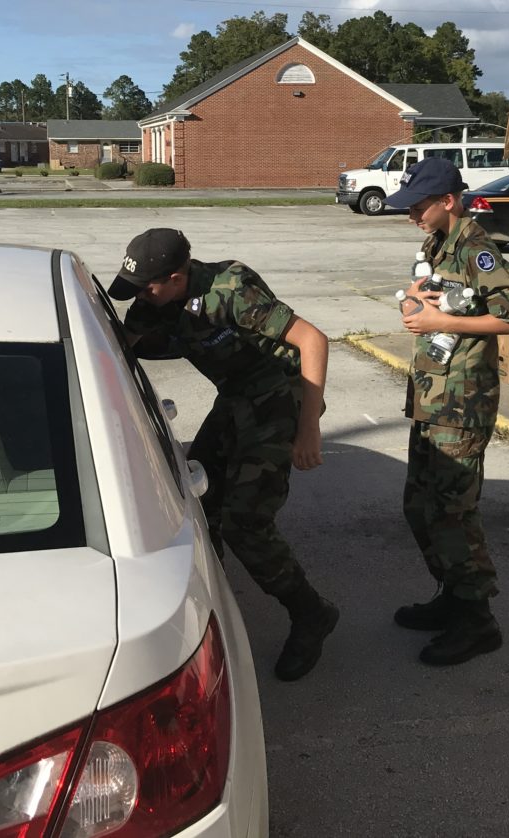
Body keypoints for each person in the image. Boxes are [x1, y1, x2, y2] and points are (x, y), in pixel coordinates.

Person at [107, 228, 338, 682]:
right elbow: (122, 347)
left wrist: (308, 429)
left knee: (245, 521)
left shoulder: (230, 291)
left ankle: (311, 613)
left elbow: (314, 341)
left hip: (279, 396)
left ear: (176, 277)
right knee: (195, 493)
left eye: (148, 286)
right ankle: (213, 606)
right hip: (235, 396)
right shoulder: (153, 299)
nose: (141, 296)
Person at [384, 158, 509, 666]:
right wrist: (414, 300)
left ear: (448, 201)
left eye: (419, 206)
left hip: (462, 402)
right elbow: (436, 301)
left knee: (451, 513)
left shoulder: (478, 249)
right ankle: (452, 594)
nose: (412, 216)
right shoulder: (436, 244)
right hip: (432, 395)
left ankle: (477, 619)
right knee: (418, 507)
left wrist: (440, 319)